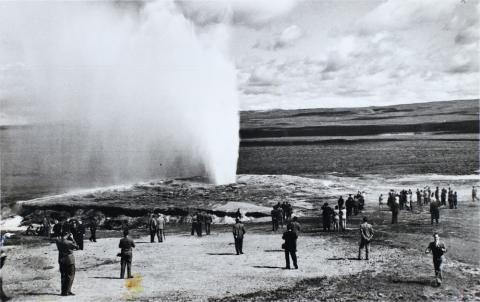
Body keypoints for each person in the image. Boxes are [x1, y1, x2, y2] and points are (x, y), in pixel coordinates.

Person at [55, 230, 79, 296]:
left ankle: (63, 291)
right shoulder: (69, 242)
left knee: (63, 275)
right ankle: (67, 291)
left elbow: (59, 239)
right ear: (67, 235)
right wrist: (72, 238)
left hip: (61, 259)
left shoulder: (58, 241)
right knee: (70, 276)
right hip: (69, 260)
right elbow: (77, 247)